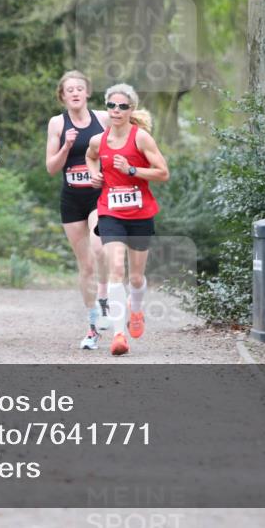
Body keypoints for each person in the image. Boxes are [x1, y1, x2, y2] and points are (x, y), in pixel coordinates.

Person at [85, 83, 169, 356]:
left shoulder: (141, 138)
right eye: (111, 105)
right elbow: (90, 156)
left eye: (122, 106)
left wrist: (133, 169)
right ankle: (119, 334)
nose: (116, 110)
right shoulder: (99, 140)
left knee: (135, 277)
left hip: (140, 213)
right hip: (110, 211)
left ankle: (136, 309)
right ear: (107, 108)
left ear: (131, 109)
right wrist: (93, 174)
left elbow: (162, 173)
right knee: (116, 270)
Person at [45, 70, 111, 350]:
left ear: (87, 93)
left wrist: (105, 173)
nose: (74, 92)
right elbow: (51, 168)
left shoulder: (104, 119)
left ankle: (106, 300)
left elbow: (121, 149)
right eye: (69, 89)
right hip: (71, 199)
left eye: (79, 88)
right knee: (85, 266)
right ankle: (93, 326)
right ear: (63, 95)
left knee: (99, 250)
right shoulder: (57, 123)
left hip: (100, 195)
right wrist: (67, 145)